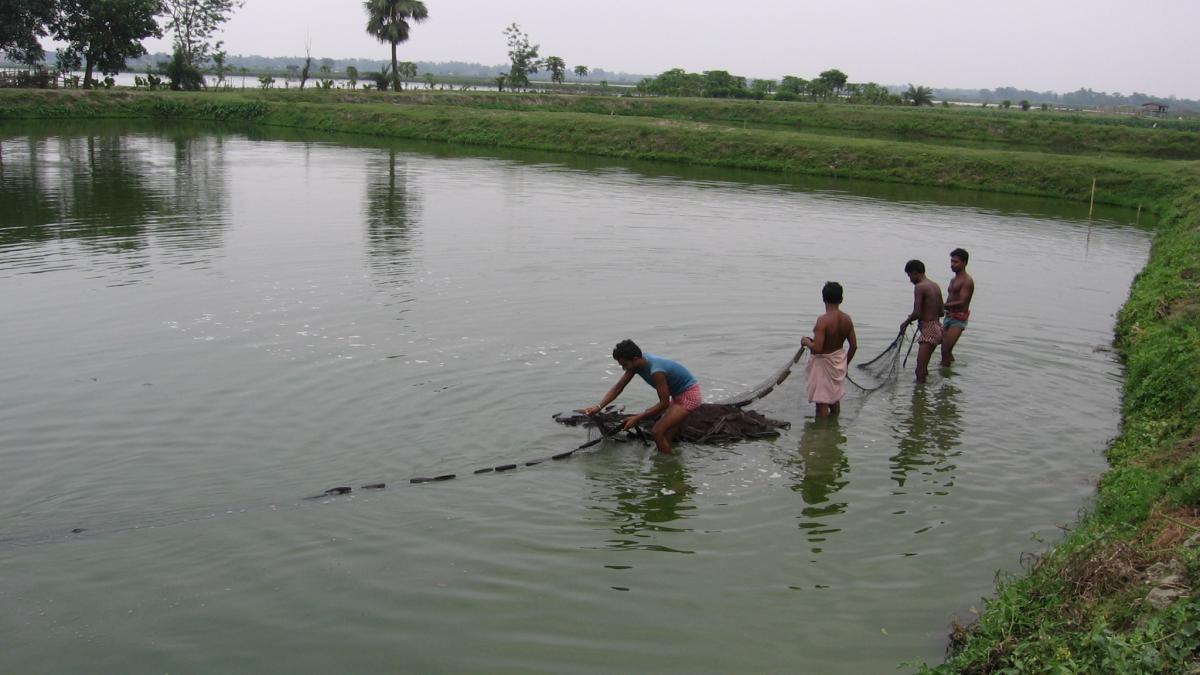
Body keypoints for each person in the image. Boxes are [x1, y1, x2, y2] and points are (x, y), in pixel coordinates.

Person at [578, 339, 702, 455]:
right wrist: (598, 407)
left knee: (657, 432)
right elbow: (618, 387)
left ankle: (668, 467)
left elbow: (664, 403)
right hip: (677, 395)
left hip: (688, 396)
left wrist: (637, 418)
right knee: (666, 434)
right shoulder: (637, 364)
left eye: (625, 364)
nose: (624, 368)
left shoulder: (656, 371)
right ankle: (669, 459)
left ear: (635, 358)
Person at [800, 281, 857, 418]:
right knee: (834, 397)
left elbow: (818, 349)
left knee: (822, 402)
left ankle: (821, 434)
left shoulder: (823, 321)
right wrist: (845, 364)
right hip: (838, 361)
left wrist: (807, 342)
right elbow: (854, 346)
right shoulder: (847, 319)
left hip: (823, 365)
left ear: (823, 298)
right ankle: (834, 428)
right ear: (841, 299)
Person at [900, 259, 944, 383]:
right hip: (938, 328)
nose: (910, 280)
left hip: (929, 330)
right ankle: (924, 395)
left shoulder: (920, 287)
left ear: (915, 272)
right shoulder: (935, 285)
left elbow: (917, 312)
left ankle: (919, 398)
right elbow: (941, 311)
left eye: (909, 276)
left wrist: (906, 322)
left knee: (919, 370)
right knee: (924, 367)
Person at [940, 248, 975, 367]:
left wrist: (942, 305)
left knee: (945, 349)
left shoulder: (967, 281)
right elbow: (951, 298)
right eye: (951, 262)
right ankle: (950, 370)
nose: (952, 265)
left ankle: (945, 375)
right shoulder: (953, 280)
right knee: (945, 350)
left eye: (955, 262)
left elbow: (962, 302)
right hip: (948, 316)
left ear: (964, 263)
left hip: (958, 319)